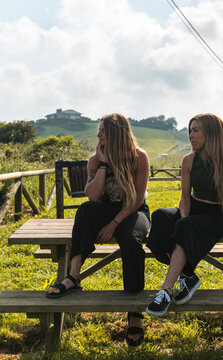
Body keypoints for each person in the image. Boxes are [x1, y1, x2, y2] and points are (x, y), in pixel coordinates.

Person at [46, 113, 150, 346]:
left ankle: (135, 313)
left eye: (102, 130)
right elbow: (92, 197)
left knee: (131, 242)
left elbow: (136, 199)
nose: (98, 134)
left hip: (134, 211)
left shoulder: (139, 157)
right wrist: (103, 164)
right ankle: (73, 276)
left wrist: (113, 224)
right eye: (99, 130)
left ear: (115, 133)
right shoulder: (95, 159)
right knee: (84, 211)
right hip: (105, 208)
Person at [145, 113, 223, 317]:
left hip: (214, 216)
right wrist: (184, 218)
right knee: (160, 216)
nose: (191, 136)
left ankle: (166, 290)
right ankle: (188, 276)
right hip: (192, 210)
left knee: (184, 228)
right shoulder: (188, 160)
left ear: (211, 133)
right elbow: (185, 198)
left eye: (196, 131)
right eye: (190, 131)